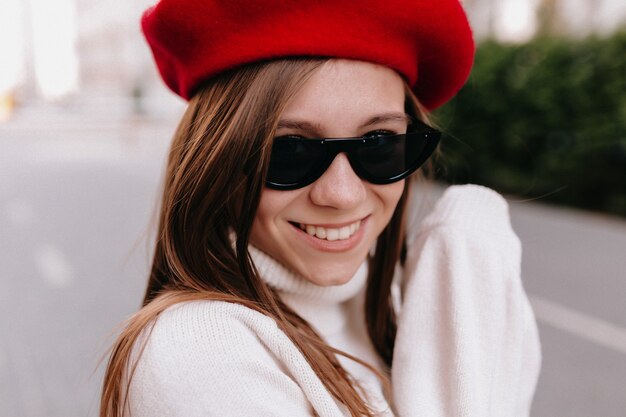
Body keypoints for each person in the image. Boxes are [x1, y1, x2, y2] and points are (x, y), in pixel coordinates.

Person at [100, 1, 541, 416]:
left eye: (380, 144)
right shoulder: (198, 351)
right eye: (289, 150)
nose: (342, 194)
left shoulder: (394, 311)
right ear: (216, 162)